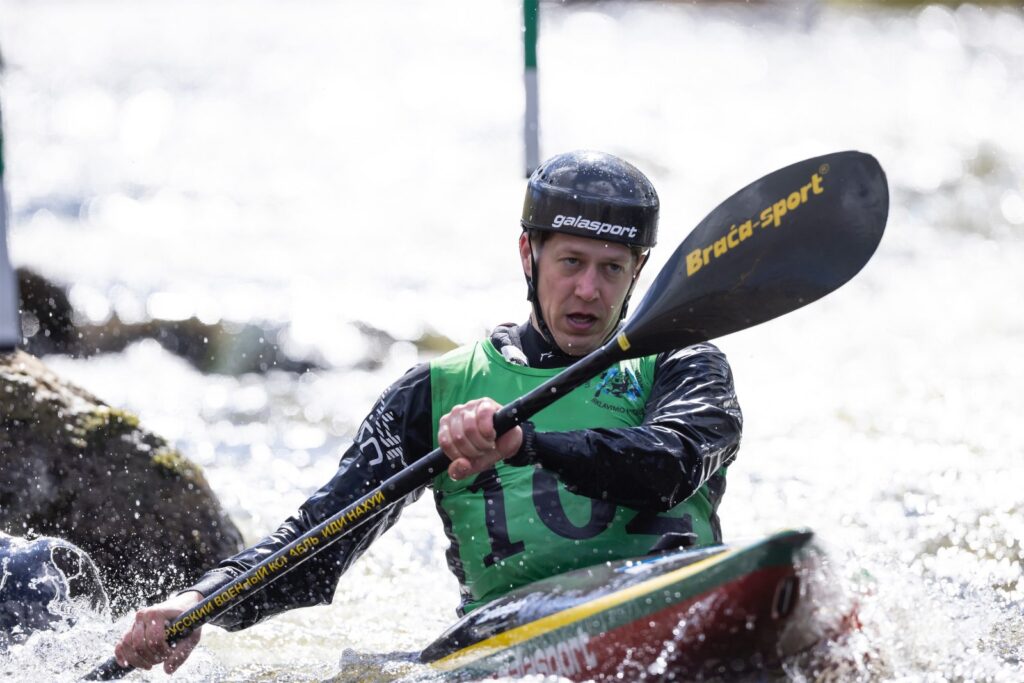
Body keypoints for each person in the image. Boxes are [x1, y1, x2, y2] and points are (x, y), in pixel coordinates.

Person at [114, 151, 742, 674]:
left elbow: (673, 466)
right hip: (507, 641)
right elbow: (319, 539)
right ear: (529, 256)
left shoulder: (682, 361)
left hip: (679, 600)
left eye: (611, 269)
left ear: (638, 272)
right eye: (571, 263)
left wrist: (526, 444)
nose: (588, 290)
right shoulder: (436, 392)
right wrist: (198, 602)